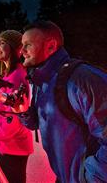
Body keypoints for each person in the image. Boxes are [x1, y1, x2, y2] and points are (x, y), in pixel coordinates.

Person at [19, 21, 107, 182]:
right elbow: (38, 123)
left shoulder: (81, 80)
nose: (22, 51)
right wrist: (23, 110)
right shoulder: (42, 81)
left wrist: (90, 178)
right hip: (64, 177)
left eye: (28, 45)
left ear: (51, 46)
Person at [0, 30, 34, 183]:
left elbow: (14, 123)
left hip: (13, 147)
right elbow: (1, 111)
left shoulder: (17, 77)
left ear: (15, 48)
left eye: (2, 43)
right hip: (4, 145)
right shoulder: (8, 75)